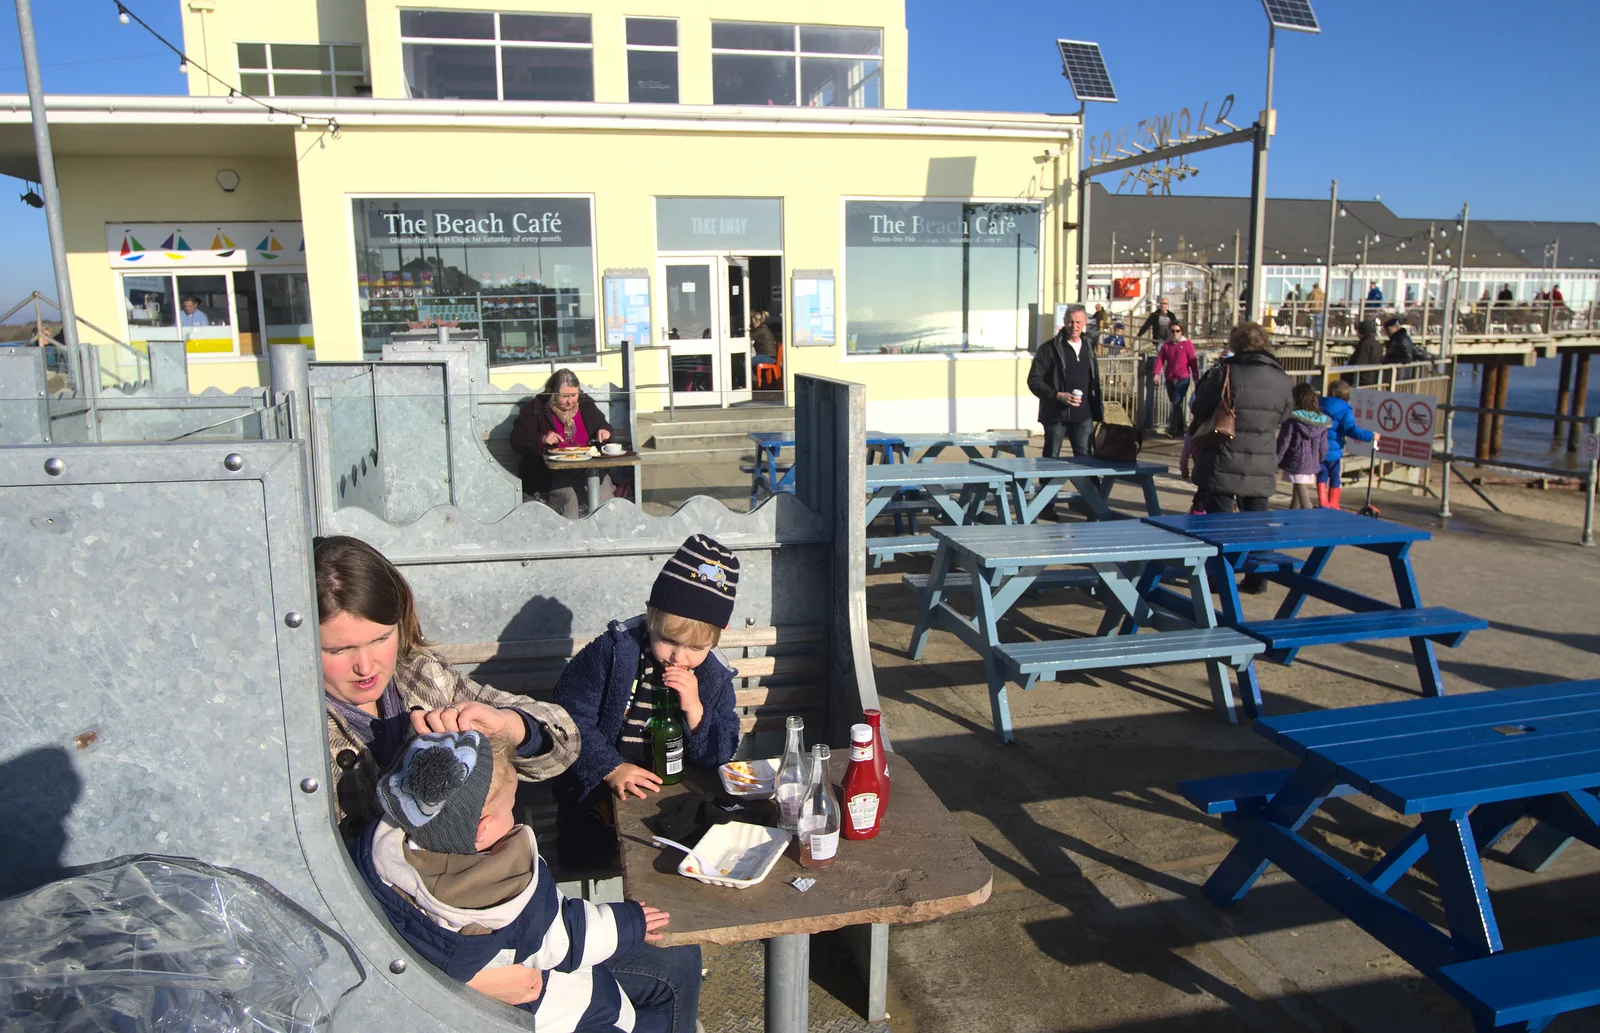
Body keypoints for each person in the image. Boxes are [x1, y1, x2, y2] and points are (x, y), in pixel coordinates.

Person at [353, 729, 682, 1033]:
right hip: (542, 1009)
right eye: (511, 807)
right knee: (626, 1016)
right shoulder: (499, 890)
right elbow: (561, 935)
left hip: (475, 990)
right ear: (483, 829)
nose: (514, 817)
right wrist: (627, 923)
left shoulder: (388, 854)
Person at [314, 534, 579, 842]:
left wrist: (513, 728)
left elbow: (567, 738)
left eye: (381, 639)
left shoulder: (422, 675)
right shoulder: (293, 735)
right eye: (339, 650)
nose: (365, 666)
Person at [552, 535, 741, 872]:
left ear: (716, 637)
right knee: (584, 856)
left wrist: (696, 710)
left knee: (681, 863)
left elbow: (721, 753)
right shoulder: (615, 652)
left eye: (695, 648)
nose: (679, 656)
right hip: (603, 794)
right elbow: (568, 714)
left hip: (674, 796)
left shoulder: (712, 676)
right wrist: (610, 768)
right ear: (652, 616)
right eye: (668, 640)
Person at [1189, 322, 1293, 517]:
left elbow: (1199, 407)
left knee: (1220, 524)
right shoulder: (1282, 378)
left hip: (1222, 456)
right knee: (1256, 524)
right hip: (1261, 460)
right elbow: (1285, 415)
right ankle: (1259, 549)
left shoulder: (1225, 373)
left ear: (1235, 345)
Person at [510, 369, 615, 518]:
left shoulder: (586, 405)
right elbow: (517, 440)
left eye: (573, 395)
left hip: (589, 468)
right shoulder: (535, 410)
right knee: (568, 498)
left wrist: (605, 431)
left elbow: (603, 426)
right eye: (564, 396)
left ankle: (604, 536)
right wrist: (542, 440)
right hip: (552, 474)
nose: (570, 401)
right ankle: (571, 538)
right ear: (552, 393)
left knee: (604, 495)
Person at [1027, 305, 1104, 469]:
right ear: (1064, 322)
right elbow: (1034, 380)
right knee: (1050, 460)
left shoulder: (1089, 346)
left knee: (1085, 460)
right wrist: (1056, 395)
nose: (1073, 326)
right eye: (1070, 322)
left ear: (1084, 323)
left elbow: (1093, 380)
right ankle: (1046, 492)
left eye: (1077, 322)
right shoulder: (1049, 349)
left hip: (1083, 415)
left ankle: (1091, 494)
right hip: (1056, 416)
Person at [1319, 379, 1377, 510]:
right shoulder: (1345, 410)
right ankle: (1334, 504)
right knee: (1334, 476)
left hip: (1318, 447)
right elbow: (1351, 430)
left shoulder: (1320, 403)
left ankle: (1322, 501)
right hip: (1333, 450)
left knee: (1321, 474)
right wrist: (1371, 435)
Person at [1277, 383, 1331, 510]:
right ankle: (1292, 517)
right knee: (1297, 492)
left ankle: (1310, 520)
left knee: (1302, 493)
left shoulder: (1292, 419)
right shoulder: (1321, 422)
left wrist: (1277, 459)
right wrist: (1321, 458)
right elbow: (1323, 446)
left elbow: (1284, 441)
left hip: (1295, 458)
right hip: (1312, 460)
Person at [1151, 322, 1198, 437]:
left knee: (1176, 401)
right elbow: (1160, 359)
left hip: (1183, 378)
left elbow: (1193, 361)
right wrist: (1156, 373)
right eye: (1172, 331)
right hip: (1170, 378)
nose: (1175, 334)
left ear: (1181, 332)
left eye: (1177, 331)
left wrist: (1195, 377)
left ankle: (1172, 430)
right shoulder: (1167, 345)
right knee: (1175, 403)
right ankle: (1181, 429)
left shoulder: (1187, 344)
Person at [1350, 318, 1384, 386]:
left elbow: (1360, 361)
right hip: (1373, 378)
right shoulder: (1378, 344)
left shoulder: (1364, 344)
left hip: (1362, 379)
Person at [750, 310, 778, 379]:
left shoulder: (760, 330)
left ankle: (753, 381)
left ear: (759, 321)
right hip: (770, 356)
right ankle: (757, 379)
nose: (754, 323)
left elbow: (749, 336)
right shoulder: (763, 328)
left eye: (755, 321)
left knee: (747, 363)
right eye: (753, 321)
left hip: (768, 356)